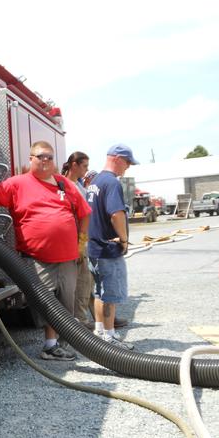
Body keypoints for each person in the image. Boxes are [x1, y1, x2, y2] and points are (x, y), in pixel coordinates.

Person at [0, 141, 91, 361]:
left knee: (66, 302)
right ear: (31, 158)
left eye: (49, 157)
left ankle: (65, 344)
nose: (45, 161)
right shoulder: (18, 183)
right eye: (40, 156)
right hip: (38, 258)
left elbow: (84, 212)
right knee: (47, 303)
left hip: (68, 258)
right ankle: (50, 346)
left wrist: (81, 241)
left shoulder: (64, 184)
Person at [86, 144, 138, 350]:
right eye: (127, 162)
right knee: (110, 294)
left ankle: (100, 331)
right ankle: (109, 336)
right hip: (108, 249)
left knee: (100, 292)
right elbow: (116, 213)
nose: (128, 167)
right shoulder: (112, 183)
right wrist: (123, 239)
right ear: (116, 159)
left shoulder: (95, 181)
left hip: (95, 248)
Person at [61, 152, 93, 328]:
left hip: (82, 241)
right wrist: (79, 242)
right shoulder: (68, 186)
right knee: (81, 282)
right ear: (74, 165)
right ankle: (80, 320)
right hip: (75, 242)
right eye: (84, 166)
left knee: (87, 281)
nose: (86, 170)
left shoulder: (78, 185)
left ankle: (85, 317)